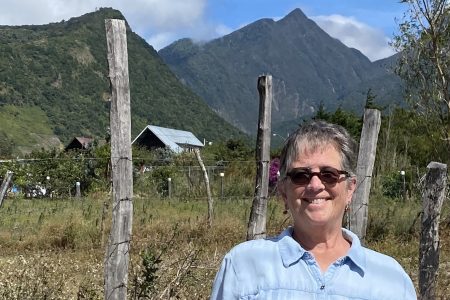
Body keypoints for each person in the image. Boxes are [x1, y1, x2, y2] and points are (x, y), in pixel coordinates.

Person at [210, 120, 416, 299]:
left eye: (329, 174)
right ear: (283, 191)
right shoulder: (243, 265)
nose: (315, 185)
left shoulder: (392, 280)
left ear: (350, 189)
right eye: (301, 175)